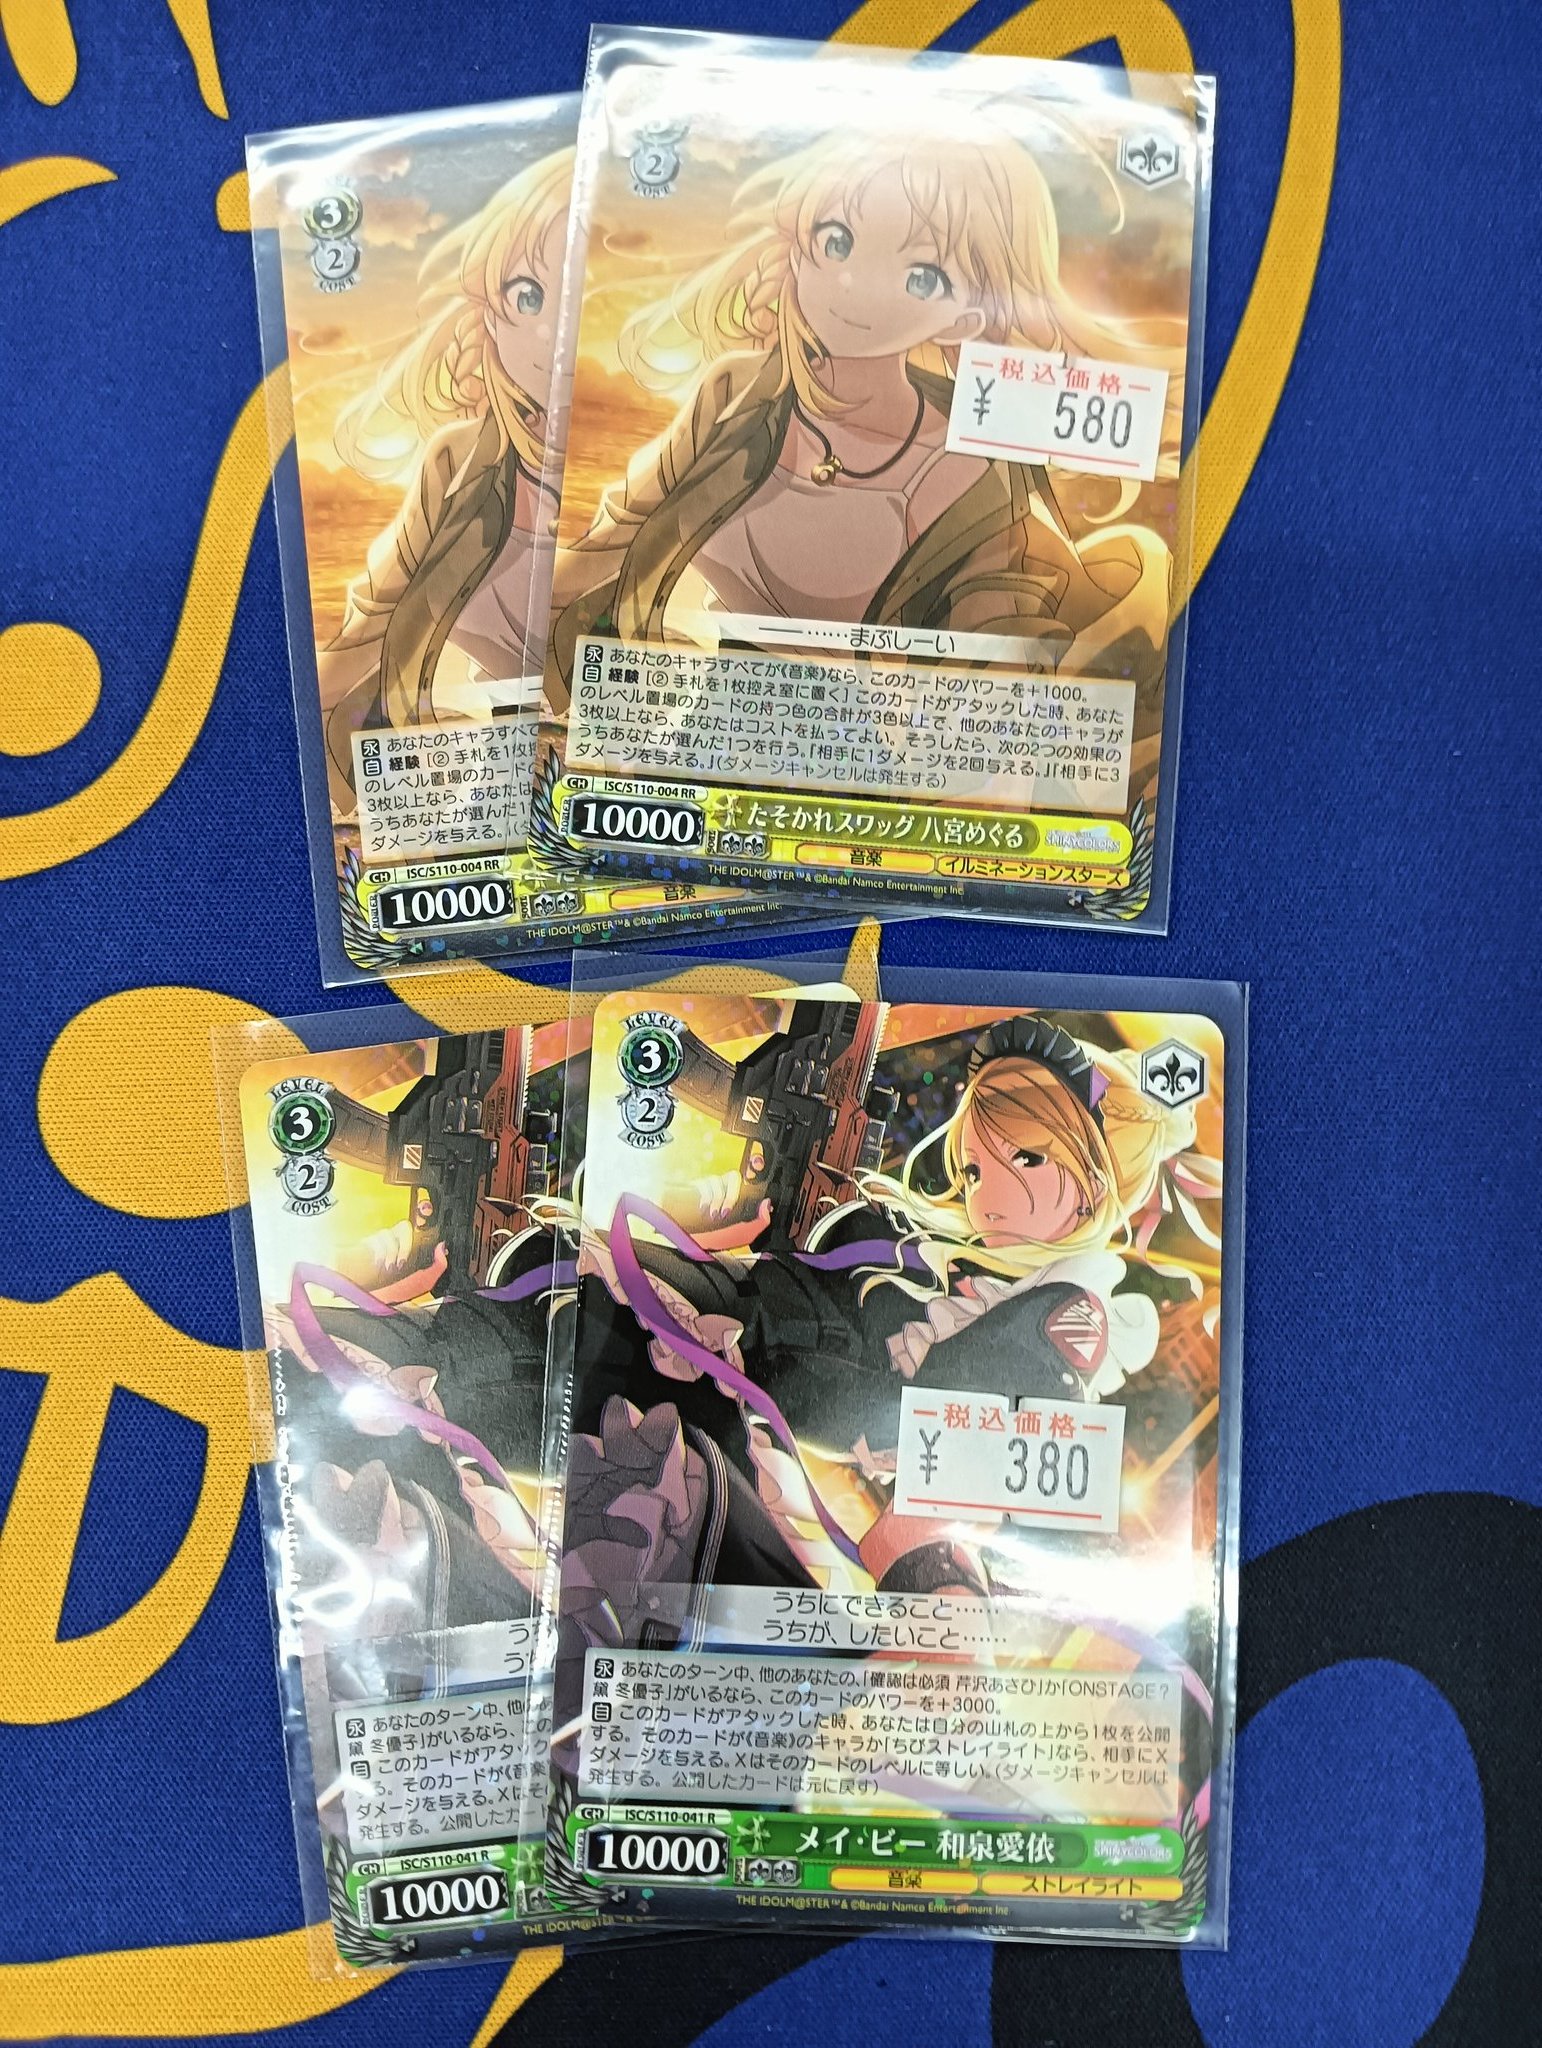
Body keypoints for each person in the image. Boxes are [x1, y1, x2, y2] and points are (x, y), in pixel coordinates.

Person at [319, 147, 572, 813]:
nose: (555, 335)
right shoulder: (457, 464)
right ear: (489, 316)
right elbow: (373, 623)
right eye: (528, 296)